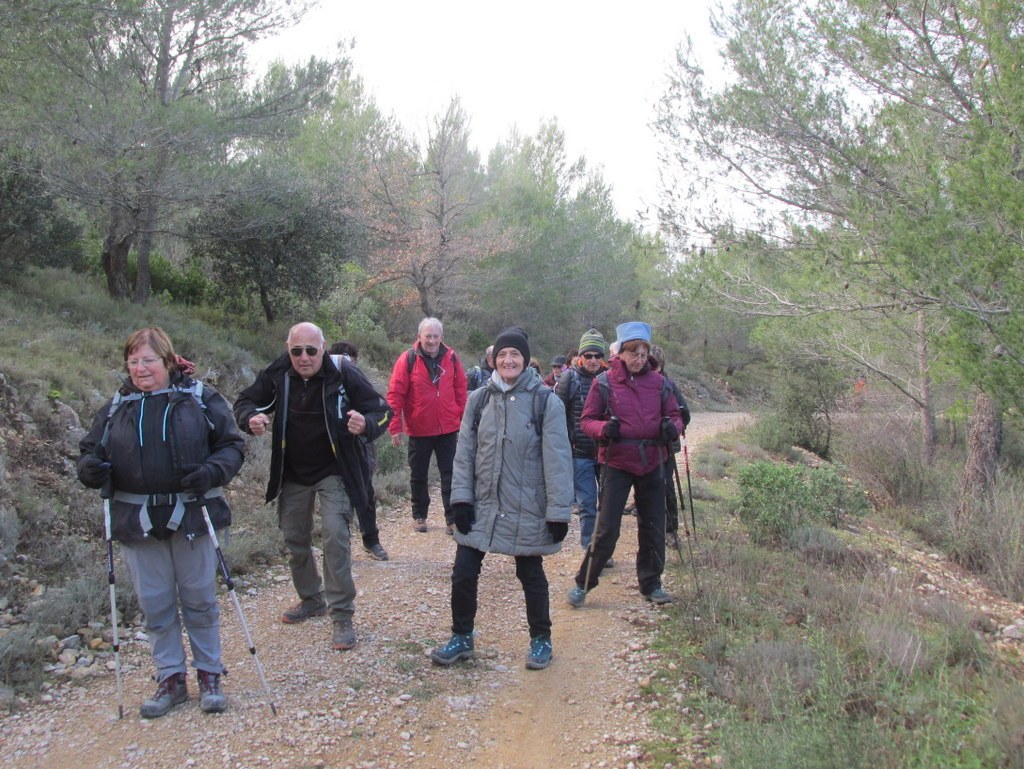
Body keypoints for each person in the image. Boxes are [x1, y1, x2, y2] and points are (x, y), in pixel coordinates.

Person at [77, 327, 245, 718]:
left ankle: (209, 674)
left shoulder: (198, 398)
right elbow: (90, 450)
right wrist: (90, 469)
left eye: (148, 360)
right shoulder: (119, 403)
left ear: (167, 361)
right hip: (136, 519)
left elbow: (232, 445)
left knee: (199, 599)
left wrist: (212, 472)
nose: (140, 368)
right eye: (133, 361)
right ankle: (170, 678)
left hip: (191, 514)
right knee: (155, 604)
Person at [234, 323, 391, 651]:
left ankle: (342, 614)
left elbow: (382, 411)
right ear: (288, 349)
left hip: (335, 469)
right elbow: (246, 401)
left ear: (324, 349)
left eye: (311, 350)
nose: (303, 358)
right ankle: (311, 598)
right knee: (294, 537)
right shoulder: (279, 372)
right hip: (292, 472)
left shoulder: (343, 372)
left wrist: (365, 426)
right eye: (296, 351)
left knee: (335, 534)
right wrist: (250, 418)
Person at [430, 326, 573, 670]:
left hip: (528, 506)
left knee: (530, 572)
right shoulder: (479, 399)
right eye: (503, 354)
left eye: (516, 355)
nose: (509, 360)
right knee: (464, 571)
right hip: (482, 503)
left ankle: (541, 640)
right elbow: (463, 454)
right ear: (494, 359)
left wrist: (558, 512)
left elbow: (558, 459)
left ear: (525, 360)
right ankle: (461, 637)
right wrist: (460, 500)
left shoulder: (545, 402)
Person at [567, 321, 684, 607]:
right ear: (620, 353)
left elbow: (676, 415)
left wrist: (673, 427)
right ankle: (584, 583)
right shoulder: (604, 383)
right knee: (607, 527)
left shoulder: (660, 384)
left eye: (643, 354)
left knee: (653, 525)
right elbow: (587, 420)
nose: (639, 359)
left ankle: (651, 585)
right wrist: (604, 430)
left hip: (653, 460)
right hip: (617, 461)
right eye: (634, 353)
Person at [386, 317, 467, 534]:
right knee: (418, 475)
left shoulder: (451, 357)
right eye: (428, 336)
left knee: (451, 474)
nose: (431, 341)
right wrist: (395, 427)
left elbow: (461, 389)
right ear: (419, 337)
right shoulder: (407, 359)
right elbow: (396, 394)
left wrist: (461, 417)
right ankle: (419, 516)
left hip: (448, 428)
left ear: (442, 337)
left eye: (435, 336)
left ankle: (452, 519)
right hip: (419, 429)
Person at [327, 341, 390, 561]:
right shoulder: (323, 380)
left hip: (359, 447)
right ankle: (343, 545)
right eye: (342, 357)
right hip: (330, 452)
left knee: (365, 493)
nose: (347, 361)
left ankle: (371, 540)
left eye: (350, 357)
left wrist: (366, 426)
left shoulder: (356, 379)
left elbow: (378, 410)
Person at [555, 328, 608, 550]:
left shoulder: (610, 379)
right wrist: (567, 443)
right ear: (581, 356)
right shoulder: (569, 379)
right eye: (588, 355)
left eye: (598, 355)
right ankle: (591, 548)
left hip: (608, 452)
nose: (593, 360)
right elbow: (557, 414)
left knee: (607, 504)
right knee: (587, 503)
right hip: (580, 453)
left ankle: (603, 547)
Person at [648, 344, 692, 549]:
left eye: (654, 365)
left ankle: (671, 530)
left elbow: (685, 415)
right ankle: (652, 530)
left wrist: (673, 428)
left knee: (666, 487)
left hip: (665, 446)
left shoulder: (669, 385)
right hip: (644, 446)